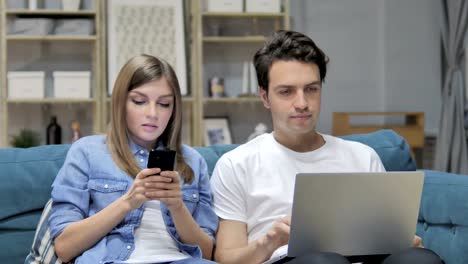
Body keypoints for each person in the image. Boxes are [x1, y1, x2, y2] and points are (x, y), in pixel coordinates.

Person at [210, 30, 443, 264]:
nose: (302, 103)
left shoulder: (363, 157)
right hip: (289, 260)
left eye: (311, 89)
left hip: (364, 259)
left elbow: (389, 236)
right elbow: (226, 258)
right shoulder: (236, 164)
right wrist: (269, 241)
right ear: (265, 97)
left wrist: (404, 242)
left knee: (421, 259)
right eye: (286, 92)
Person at [48, 55, 218, 264]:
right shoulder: (87, 152)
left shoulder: (193, 161)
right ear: (121, 102)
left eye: (164, 104)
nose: (153, 113)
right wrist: (129, 201)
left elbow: (208, 252)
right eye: (139, 101)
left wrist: (177, 206)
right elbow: (64, 247)